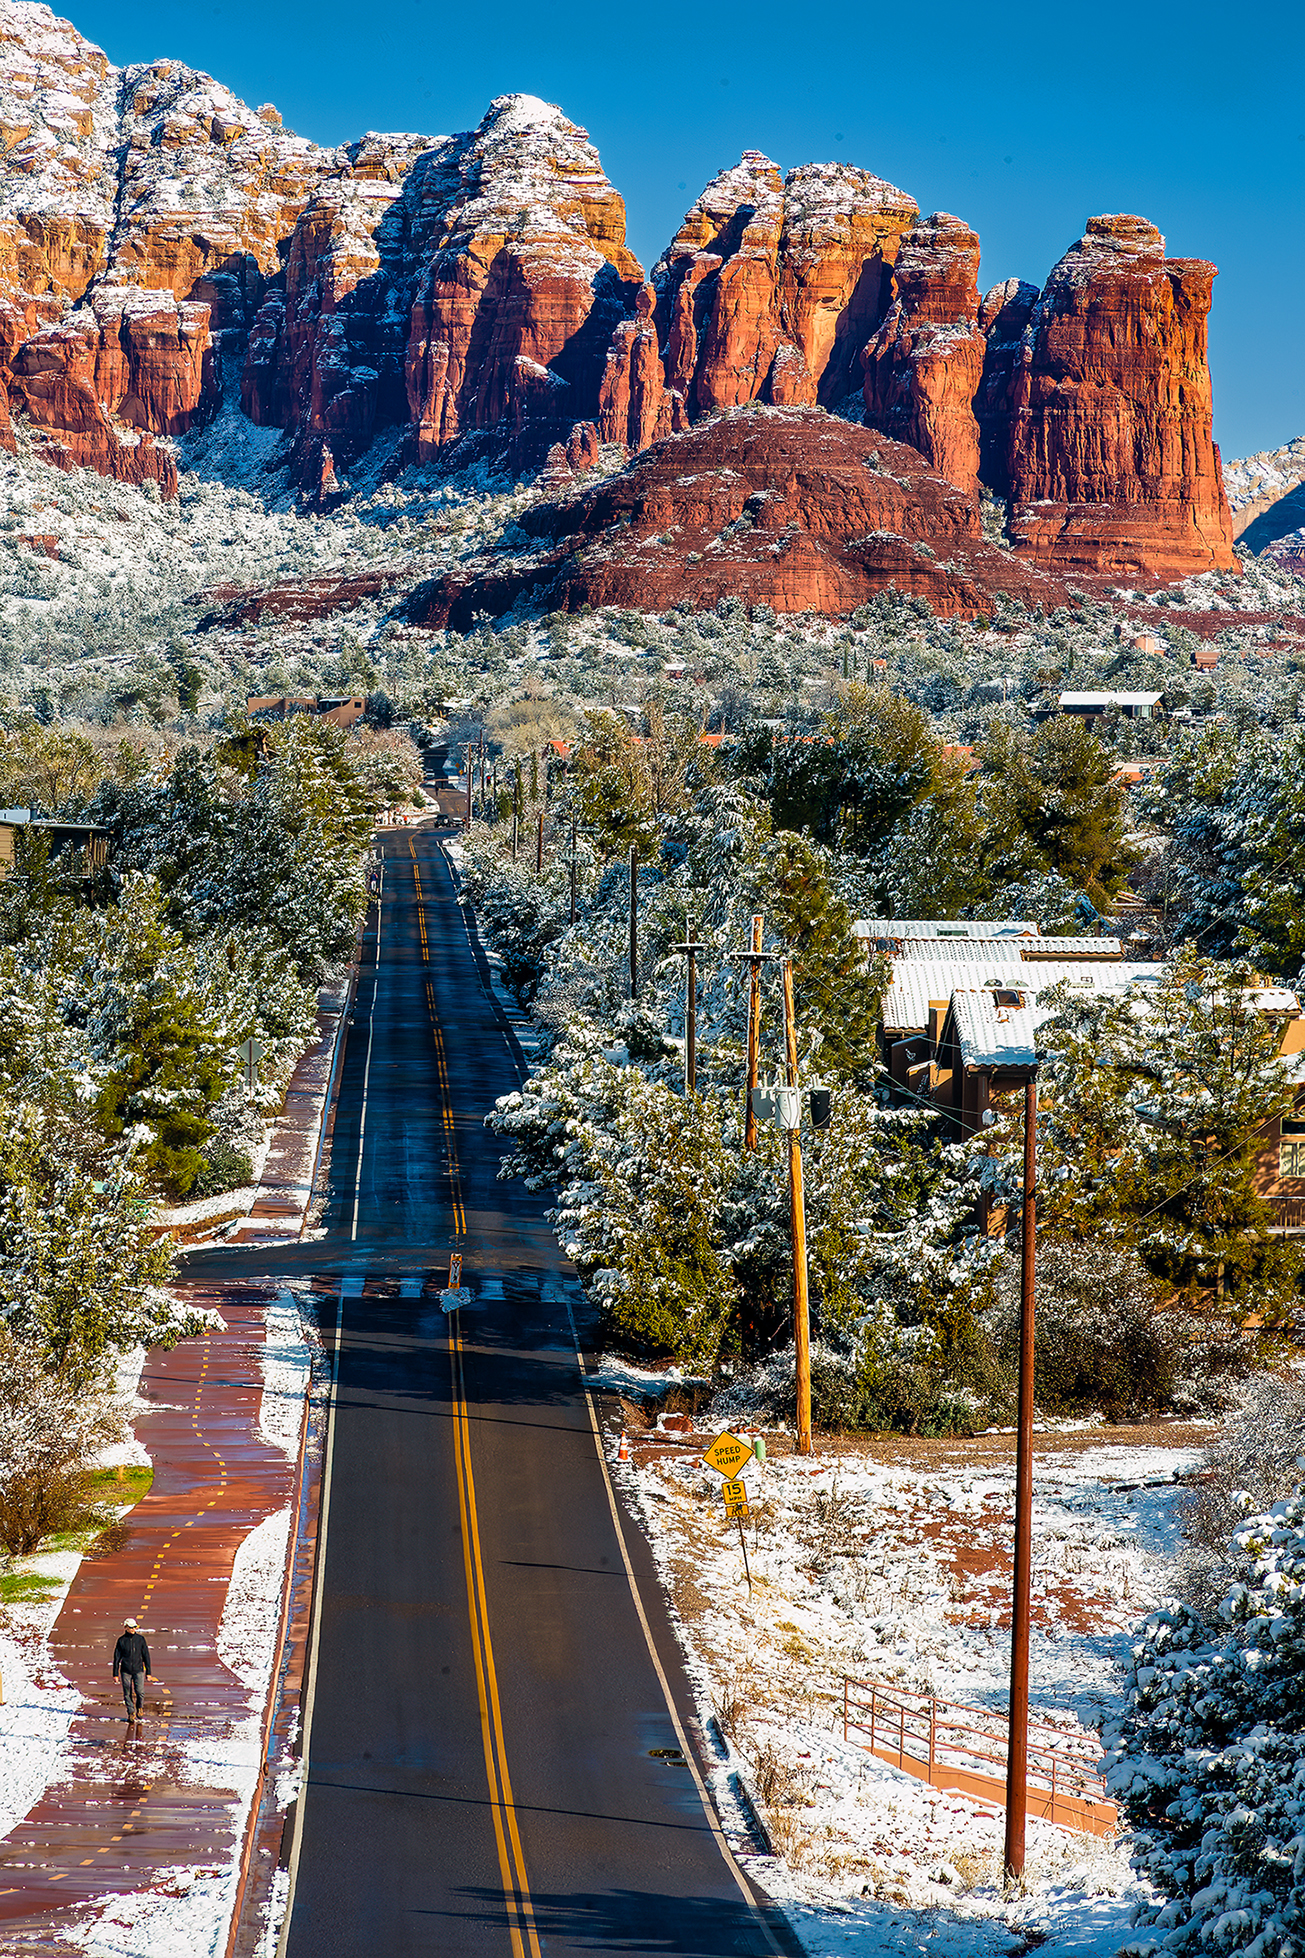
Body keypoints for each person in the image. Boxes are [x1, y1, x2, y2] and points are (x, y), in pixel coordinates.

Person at [112, 1618, 151, 1721]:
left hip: (138, 1670)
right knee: (127, 1692)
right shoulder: (121, 1641)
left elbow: (146, 1655)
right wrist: (115, 1674)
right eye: (131, 1627)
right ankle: (131, 1712)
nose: (134, 1629)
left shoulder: (140, 1639)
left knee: (140, 1692)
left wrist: (149, 1672)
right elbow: (116, 1658)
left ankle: (139, 1707)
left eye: (135, 1627)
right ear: (126, 1628)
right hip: (125, 1670)